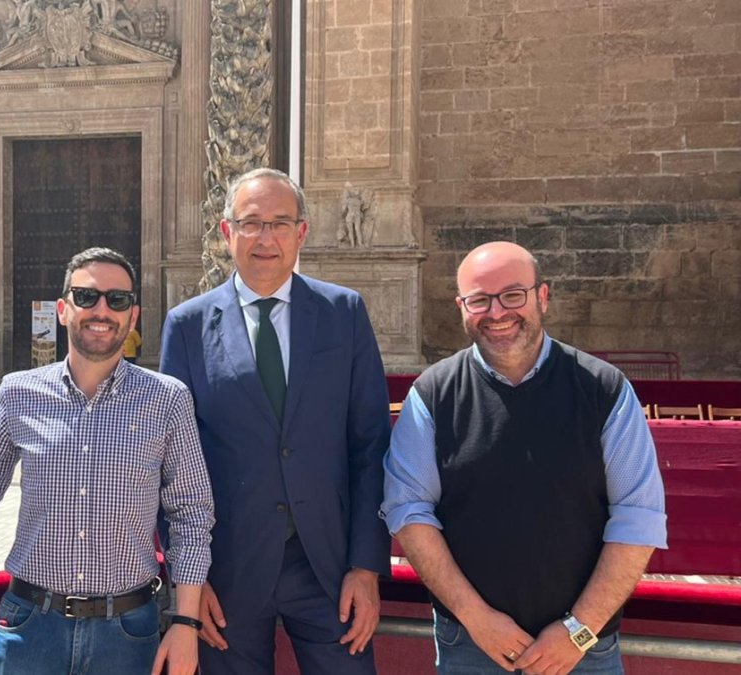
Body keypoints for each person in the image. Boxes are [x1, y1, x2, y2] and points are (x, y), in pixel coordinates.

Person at [0, 247, 214, 675]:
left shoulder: (167, 400)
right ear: (64, 309)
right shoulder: (17, 392)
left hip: (127, 632)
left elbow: (191, 513)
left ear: (133, 316)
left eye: (117, 299)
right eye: (87, 297)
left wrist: (185, 621)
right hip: (31, 625)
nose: (101, 310)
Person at [381, 241, 667, 675]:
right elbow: (409, 511)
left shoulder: (604, 391)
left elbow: (638, 518)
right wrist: (477, 619)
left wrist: (579, 630)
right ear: (462, 307)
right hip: (472, 644)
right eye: (479, 300)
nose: (497, 312)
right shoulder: (432, 395)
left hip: (584, 651)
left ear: (543, 297)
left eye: (513, 295)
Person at [160, 168, 391, 675]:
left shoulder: (343, 313)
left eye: (280, 223)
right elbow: (172, 461)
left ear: (301, 232)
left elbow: (370, 444)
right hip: (229, 572)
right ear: (227, 233)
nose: (265, 237)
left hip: (329, 569)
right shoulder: (188, 326)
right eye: (251, 223)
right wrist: (188, 579)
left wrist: (367, 565)